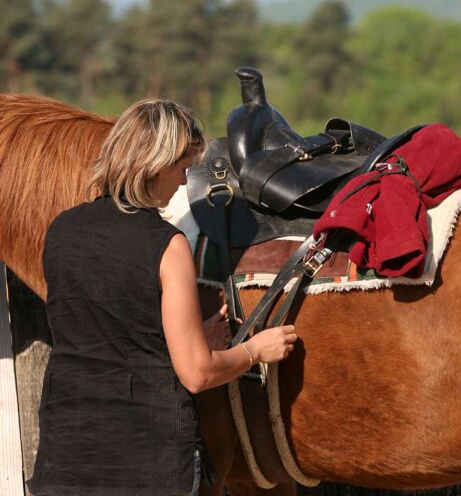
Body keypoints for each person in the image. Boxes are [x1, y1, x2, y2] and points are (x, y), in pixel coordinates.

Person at [28, 99, 297, 496]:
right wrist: (256, 350)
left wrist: (186, 333)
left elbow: (107, 329)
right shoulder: (166, 245)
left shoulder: (62, 229)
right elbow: (197, 373)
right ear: (154, 164)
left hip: (64, 458)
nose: (185, 182)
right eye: (182, 168)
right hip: (145, 462)